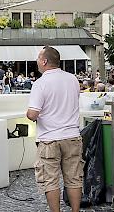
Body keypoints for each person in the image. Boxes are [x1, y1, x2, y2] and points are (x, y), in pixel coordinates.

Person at [27, 46, 83, 212]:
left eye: (38, 57)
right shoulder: (72, 79)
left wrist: (29, 113)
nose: (37, 60)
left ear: (44, 61)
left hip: (49, 139)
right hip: (72, 136)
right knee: (74, 178)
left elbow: (32, 114)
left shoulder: (40, 83)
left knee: (50, 180)